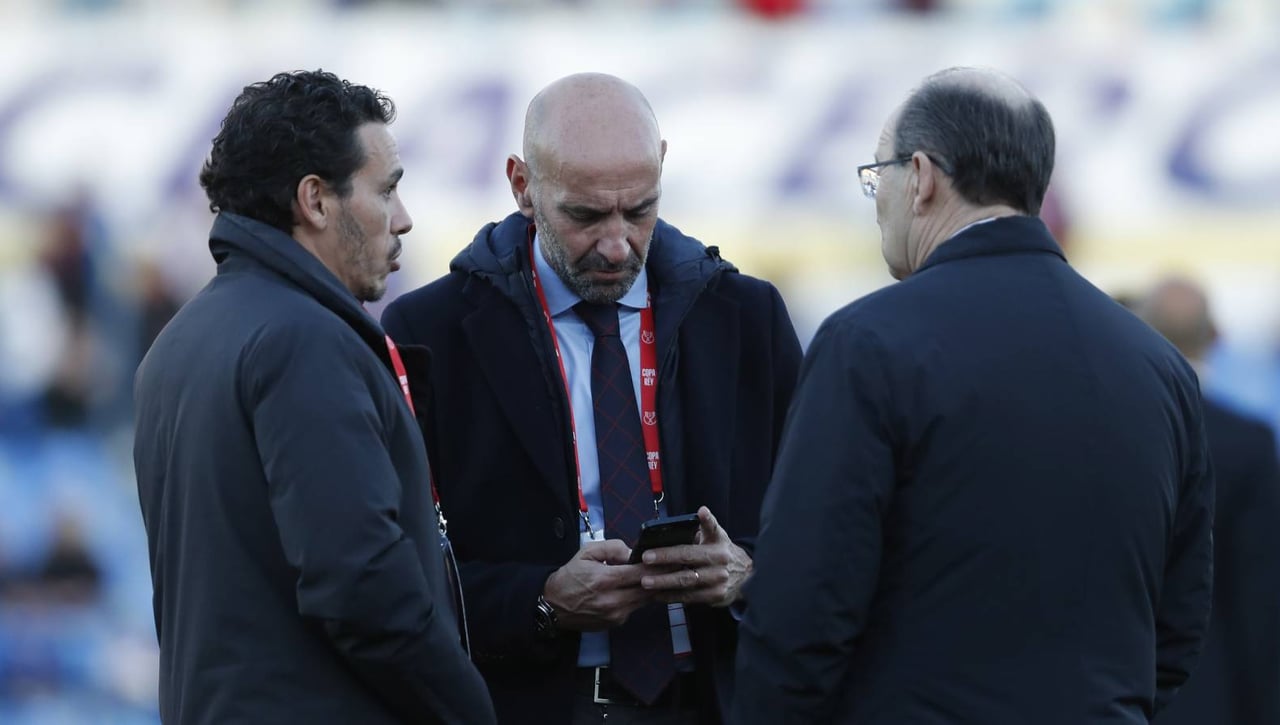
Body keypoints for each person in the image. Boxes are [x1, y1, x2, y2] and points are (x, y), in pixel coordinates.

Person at [732, 67, 1214, 724]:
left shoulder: (868, 343)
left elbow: (803, 613)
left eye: (878, 175)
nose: (877, 199)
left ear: (922, 176)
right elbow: (1178, 626)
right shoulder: (1159, 365)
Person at [380, 72, 802, 724]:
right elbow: (401, 572)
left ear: (661, 165)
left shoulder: (747, 319)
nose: (615, 243)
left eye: (639, 210)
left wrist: (747, 575)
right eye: (585, 215)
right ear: (522, 185)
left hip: (713, 700)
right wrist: (541, 600)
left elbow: (820, 532)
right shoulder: (429, 333)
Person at [132, 69, 496, 725]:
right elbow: (362, 587)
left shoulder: (178, 342)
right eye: (386, 190)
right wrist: (470, 710)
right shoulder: (304, 341)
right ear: (316, 201)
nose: (404, 219)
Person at [1138, 276, 1280, 725]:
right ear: (1214, 335)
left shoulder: (1111, 433)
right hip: (1213, 689)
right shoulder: (1248, 442)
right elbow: (1260, 595)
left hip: (1118, 689)